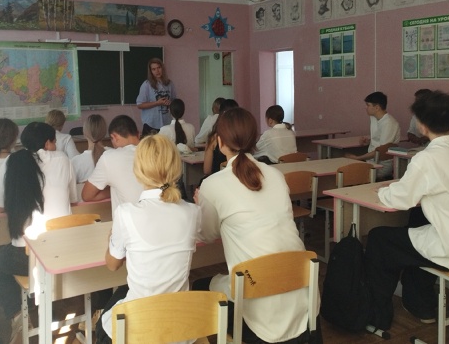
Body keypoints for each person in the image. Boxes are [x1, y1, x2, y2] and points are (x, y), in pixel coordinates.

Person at [364, 91, 449, 331]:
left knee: (380, 238)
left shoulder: (427, 158)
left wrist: (383, 191)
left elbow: (400, 199)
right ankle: (420, 303)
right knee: (416, 228)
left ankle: (377, 316)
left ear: (422, 126)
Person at [193, 108, 321, 344]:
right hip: (302, 299)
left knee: (200, 287)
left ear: (219, 141)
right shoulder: (276, 175)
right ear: (255, 140)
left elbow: (206, 235)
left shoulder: (212, 185)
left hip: (259, 310)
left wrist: (201, 206)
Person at [95, 135, 201, 344]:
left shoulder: (126, 213)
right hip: (180, 330)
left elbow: (112, 265)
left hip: (139, 330)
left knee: (102, 326)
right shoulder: (193, 212)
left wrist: (111, 241)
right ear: (176, 167)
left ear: (138, 170)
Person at [0, 122, 77, 342]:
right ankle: (63, 309)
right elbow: (73, 198)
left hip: (27, 255)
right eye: (54, 142)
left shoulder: (13, 161)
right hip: (64, 250)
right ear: (48, 143)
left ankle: (18, 316)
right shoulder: (64, 160)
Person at [82, 115, 144, 216]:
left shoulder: (109, 157)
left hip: (130, 222)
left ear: (114, 137)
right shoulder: (156, 153)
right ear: (138, 134)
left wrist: (114, 189)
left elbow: (87, 195)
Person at [345, 91, 400, 180]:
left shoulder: (389, 123)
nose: (366, 108)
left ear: (377, 107)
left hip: (381, 164)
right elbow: (379, 141)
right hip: (371, 161)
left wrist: (358, 158)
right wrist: (369, 141)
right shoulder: (374, 117)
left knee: (349, 174)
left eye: (368, 105)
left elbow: (381, 151)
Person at [136, 58, 176, 136]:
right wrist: (157, 103)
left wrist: (169, 103)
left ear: (162, 68)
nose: (157, 71)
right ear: (151, 71)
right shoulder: (146, 85)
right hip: (151, 124)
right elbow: (140, 105)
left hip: (167, 123)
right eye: (154, 69)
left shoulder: (169, 84)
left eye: (159, 68)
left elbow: (174, 101)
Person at [71, 114, 107, 200]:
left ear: (84, 134)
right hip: (112, 206)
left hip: (85, 207)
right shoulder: (113, 154)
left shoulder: (75, 161)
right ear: (104, 133)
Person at [202, 98, 238, 177]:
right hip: (239, 178)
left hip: (217, 178)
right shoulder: (242, 137)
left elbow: (207, 170)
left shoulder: (214, 138)